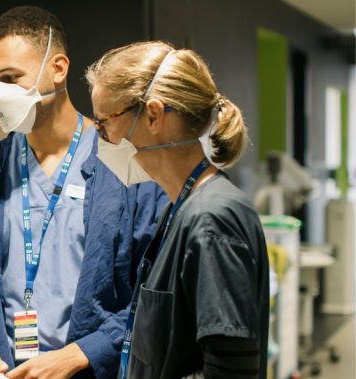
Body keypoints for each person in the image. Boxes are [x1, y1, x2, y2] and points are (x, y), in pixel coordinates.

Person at [0, 6, 167, 379]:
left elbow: (155, 294)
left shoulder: (128, 172)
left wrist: (82, 353)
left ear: (58, 68)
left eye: (10, 77)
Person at [86, 41, 269, 378]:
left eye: (104, 123)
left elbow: (231, 370)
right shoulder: (181, 209)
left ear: (153, 115)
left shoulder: (212, 219)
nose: (100, 138)